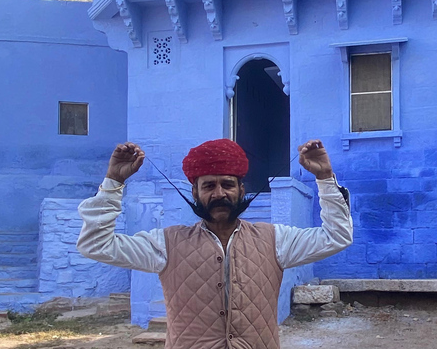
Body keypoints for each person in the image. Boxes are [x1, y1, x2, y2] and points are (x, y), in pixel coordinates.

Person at [77, 138, 352, 349]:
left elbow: (336, 236)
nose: (219, 193)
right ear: (195, 193)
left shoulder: (274, 240)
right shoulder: (166, 244)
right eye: (208, 186)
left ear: (241, 190)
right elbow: (95, 244)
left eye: (227, 185)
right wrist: (114, 181)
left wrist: (325, 177)